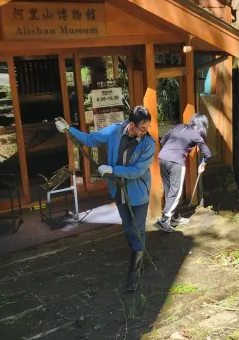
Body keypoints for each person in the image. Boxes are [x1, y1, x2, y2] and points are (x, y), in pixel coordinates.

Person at [55, 106, 155, 292]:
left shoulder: (148, 144)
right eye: (143, 128)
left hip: (137, 193)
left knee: (138, 229)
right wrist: (69, 129)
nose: (146, 131)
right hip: (118, 190)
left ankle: (134, 275)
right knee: (127, 227)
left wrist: (112, 170)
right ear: (131, 125)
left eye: (148, 127)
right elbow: (92, 140)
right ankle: (138, 254)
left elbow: (138, 170)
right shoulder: (116, 130)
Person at [154, 113, 212, 232]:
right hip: (176, 163)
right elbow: (208, 154)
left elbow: (163, 141)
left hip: (162, 158)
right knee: (175, 192)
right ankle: (164, 220)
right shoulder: (197, 136)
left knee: (169, 189)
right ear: (203, 125)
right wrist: (203, 164)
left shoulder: (178, 126)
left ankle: (174, 217)